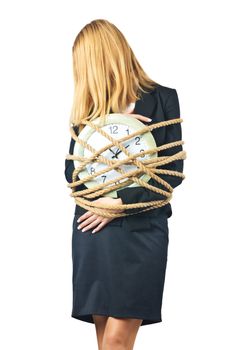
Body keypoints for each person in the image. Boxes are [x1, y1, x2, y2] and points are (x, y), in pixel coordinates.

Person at [64, 19, 185, 350]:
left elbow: (172, 171)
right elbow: (72, 173)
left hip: (142, 228)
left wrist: (119, 203)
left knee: (117, 340)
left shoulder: (163, 100)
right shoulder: (89, 111)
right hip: (94, 231)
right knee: (106, 338)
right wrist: (111, 131)